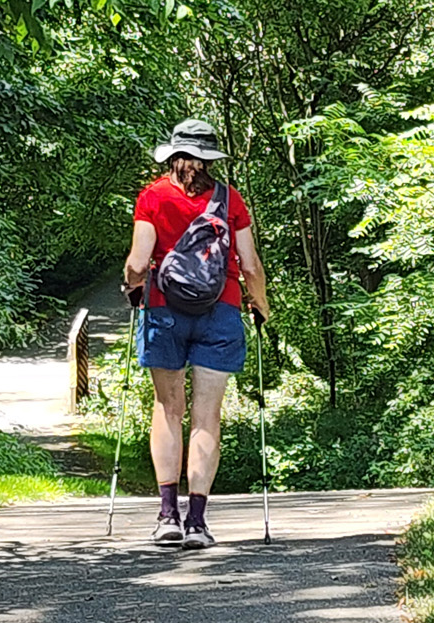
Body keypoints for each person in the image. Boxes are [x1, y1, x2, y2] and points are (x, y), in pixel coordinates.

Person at [124, 119, 273, 550]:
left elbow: (137, 262)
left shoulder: (152, 196)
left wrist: (134, 288)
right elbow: (250, 266)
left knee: (168, 408)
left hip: (163, 310)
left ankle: (167, 516)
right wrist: (260, 305)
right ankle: (198, 523)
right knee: (207, 415)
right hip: (220, 310)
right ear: (210, 159)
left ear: (172, 154)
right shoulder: (229, 199)